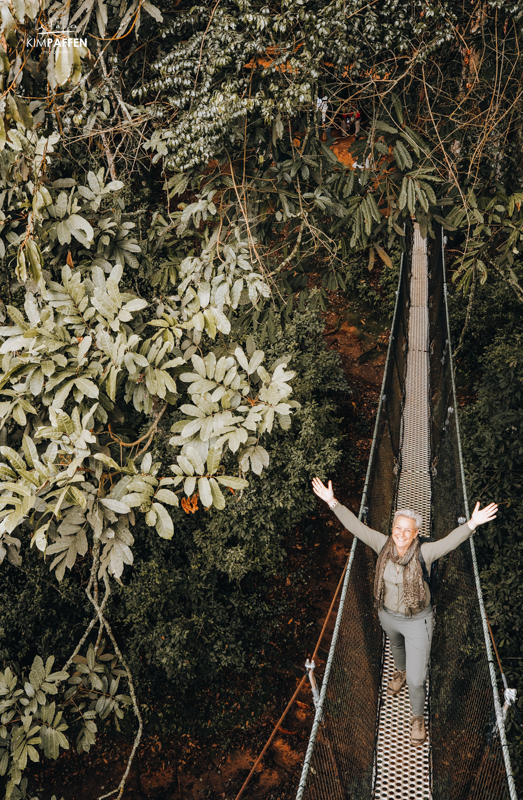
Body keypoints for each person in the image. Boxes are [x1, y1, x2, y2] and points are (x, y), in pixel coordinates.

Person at [311, 477, 498, 746]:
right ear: (392, 529)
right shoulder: (383, 546)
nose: (400, 533)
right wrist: (332, 502)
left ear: (415, 534)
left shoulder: (425, 552)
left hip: (418, 620)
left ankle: (417, 718)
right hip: (387, 615)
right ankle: (397, 671)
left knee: (417, 678)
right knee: (396, 648)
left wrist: (472, 524)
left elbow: (449, 542)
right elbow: (356, 527)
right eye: (397, 528)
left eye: (406, 530)